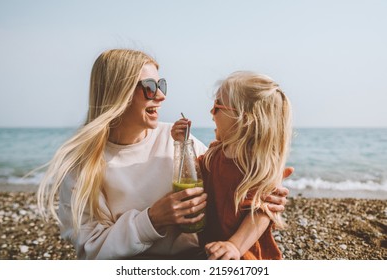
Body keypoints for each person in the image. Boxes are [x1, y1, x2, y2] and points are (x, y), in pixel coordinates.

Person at [37, 49, 290, 260]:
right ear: (118, 93)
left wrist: (266, 192)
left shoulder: (179, 140)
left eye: (161, 84)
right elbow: (90, 249)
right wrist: (152, 219)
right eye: (149, 87)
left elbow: (229, 180)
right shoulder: (83, 166)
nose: (161, 95)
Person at [172, 71, 292, 260]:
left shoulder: (256, 167)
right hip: (211, 250)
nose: (211, 113)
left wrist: (234, 246)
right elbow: (193, 178)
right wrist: (182, 144)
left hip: (244, 256)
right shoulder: (214, 154)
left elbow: (261, 213)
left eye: (217, 106)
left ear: (243, 119)